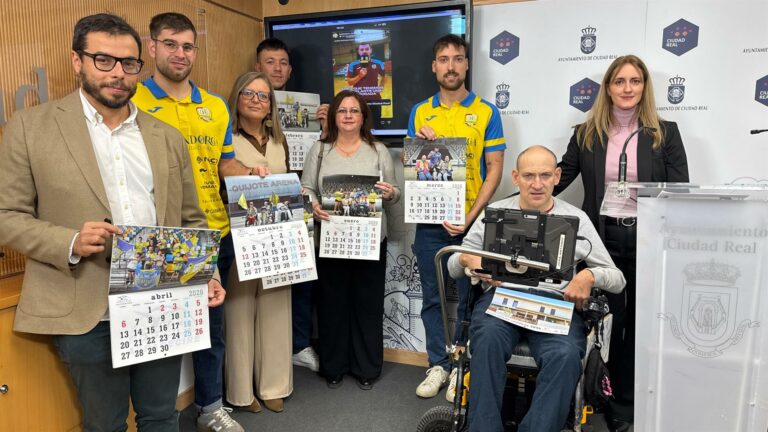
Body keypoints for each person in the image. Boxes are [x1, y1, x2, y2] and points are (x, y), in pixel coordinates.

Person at [0, 13, 225, 431]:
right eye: (103, 60)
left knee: (161, 416)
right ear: (77, 61)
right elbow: (5, 216)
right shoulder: (31, 127)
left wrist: (204, 271)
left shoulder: (165, 136)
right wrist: (68, 240)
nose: (118, 74)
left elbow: (191, 219)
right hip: (84, 304)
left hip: (159, 299)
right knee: (104, 424)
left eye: (129, 63)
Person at [132, 12, 256, 432]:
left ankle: (209, 408)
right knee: (158, 336)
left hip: (213, 233)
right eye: (169, 44)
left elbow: (223, 163)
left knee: (210, 330)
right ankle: (156, 417)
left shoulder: (215, 106)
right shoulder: (132, 100)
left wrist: (253, 174)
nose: (179, 53)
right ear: (151, 48)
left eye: (187, 46)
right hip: (157, 238)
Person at [448, 146, 626, 432]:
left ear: (557, 176)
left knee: (566, 355)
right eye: (529, 175)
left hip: (555, 305)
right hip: (502, 299)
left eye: (545, 175)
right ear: (516, 177)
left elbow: (618, 279)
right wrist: (468, 259)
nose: (537, 183)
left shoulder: (577, 219)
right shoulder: (494, 213)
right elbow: (453, 265)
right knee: (486, 341)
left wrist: (589, 275)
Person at [554, 54, 689, 432]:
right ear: (608, 88)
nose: (627, 88)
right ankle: (599, 393)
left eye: (635, 81)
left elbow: (680, 191)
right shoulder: (586, 134)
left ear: (644, 87)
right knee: (606, 322)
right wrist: (519, 196)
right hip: (601, 239)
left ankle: (624, 404)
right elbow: (557, 179)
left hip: (648, 239)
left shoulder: (666, 133)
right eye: (619, 81)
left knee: (640, 324)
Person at [408, 34, 506, 399]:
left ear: (466, 64)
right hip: (430, 222)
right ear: (434, 66)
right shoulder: (420, 111)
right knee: (433, 298)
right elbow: (415, 167)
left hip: (471, 224)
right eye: (444, 59)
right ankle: (438, 364)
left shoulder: (486, 111)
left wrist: (470, 216)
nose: (451, 66)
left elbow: (495, 168)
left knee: (470, 296)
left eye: (458, 59)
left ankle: (463, 368)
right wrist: (420, 144)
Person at [301, 90, 400, 390]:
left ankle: (366, 368)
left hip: (370, 242)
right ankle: (334, 366)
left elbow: (394, 194)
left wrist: (389, 193)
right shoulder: (319, 150)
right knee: (331, 305)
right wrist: (313, 206)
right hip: (330, 241)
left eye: (353, 111)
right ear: (333, 116)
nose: (347, 116)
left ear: (362, 117)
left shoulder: (378, 150)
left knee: (367, 306)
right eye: (342, 110)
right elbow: (306, 188)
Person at [222, 71, 294, 414]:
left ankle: (274, 384)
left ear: (271, 105)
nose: (256, 100)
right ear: (236, 97)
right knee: (238, 309)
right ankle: (240, 391)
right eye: (249, 93)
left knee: (277, 306)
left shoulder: (280, 141)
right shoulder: (227, 139)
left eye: (263, 96)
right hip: (239, 236)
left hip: (279, 237)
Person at [256, 37, 324, 372]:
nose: (277, 68)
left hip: (301, 201)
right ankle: (268, 352)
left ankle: (299, 345)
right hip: (263, 205)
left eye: (283, 62)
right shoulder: (250, 107)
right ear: (258, 66)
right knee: (264, 282)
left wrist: (324, 126)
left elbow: (317, 156)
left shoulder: (305, 107)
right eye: (270, 62)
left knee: (302, 277)